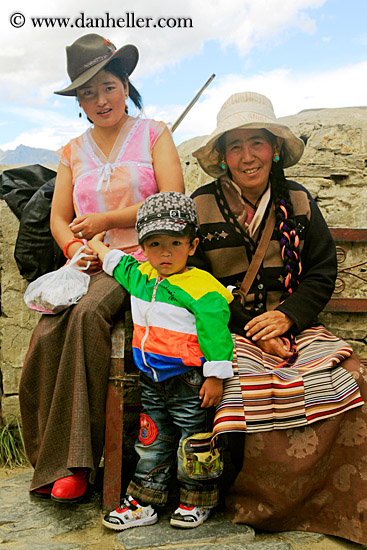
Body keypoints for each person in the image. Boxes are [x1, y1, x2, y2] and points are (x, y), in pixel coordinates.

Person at [189, 92, 367, 545]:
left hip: (294, 325)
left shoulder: (300, 202)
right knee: (242, 387)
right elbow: (196, 281)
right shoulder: (201, 206)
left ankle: (335, 501)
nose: (247, 156)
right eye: (235, 146)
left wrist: (287, 318)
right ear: (224, 157)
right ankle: (260, 507)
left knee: (353, 377)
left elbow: (322, 270)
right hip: (229, 330)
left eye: (257, 143)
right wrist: (254, 330)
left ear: (274, 148)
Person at [19, 33, 184, 503]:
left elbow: (171, 201)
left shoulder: (155, 134)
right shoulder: (72, 151)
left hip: (141, 262)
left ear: (125, 83)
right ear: (79, 102)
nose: (100, 99)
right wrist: (76, 246)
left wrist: (107, 222)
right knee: (46, 331)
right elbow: (58, 215)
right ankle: (44, 459)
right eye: (88, 93)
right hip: (88, 263)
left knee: (89, 315)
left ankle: (77, 464)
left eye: (108, 86)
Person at [87, 191, 234, 530]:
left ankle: (196, 501)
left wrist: (215, 377)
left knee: (194, 442)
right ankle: (144, 502)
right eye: (154, 245)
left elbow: (215, 333)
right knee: (151, 440)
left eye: (175, 243)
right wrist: (96, 244)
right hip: (152, 380)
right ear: (143, 247)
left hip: (190, 381)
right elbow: (116, 262)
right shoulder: (141, 278)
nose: (165, 253)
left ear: (192, 245)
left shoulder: (201, 287)